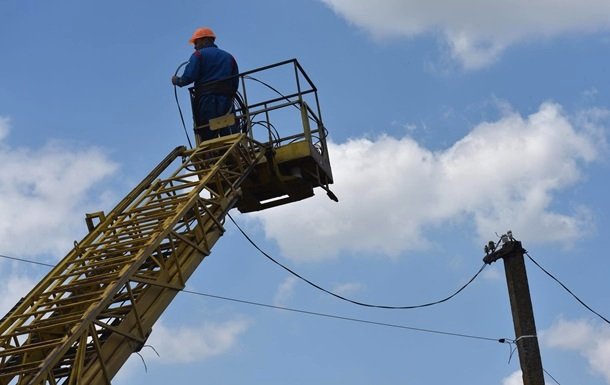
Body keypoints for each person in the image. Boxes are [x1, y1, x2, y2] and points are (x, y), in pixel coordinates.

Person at [172, 27, 239, 143]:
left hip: (206, 100)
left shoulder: (198, 55)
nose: (195, 46)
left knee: (207, 134)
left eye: (196, 42)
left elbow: (188, 78)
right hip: (226, 100)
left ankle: (211, 154)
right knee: (229, 132)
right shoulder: (229, 57)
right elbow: (235, 82)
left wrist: (177, 81)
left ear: (205, 40)